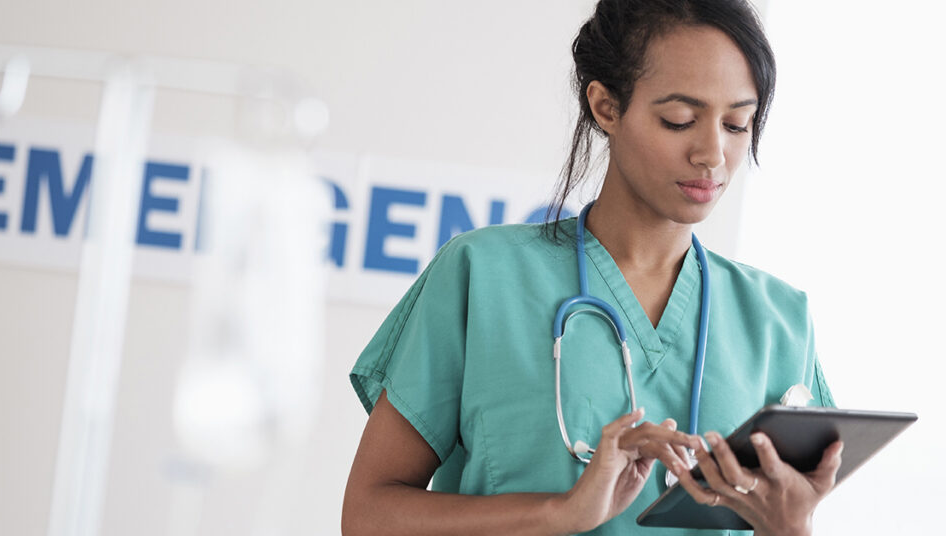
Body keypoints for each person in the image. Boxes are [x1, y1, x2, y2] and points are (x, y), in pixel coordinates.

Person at [342, 1, 842, 534]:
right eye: (680, 120)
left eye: (738, 123)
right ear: (605, 106)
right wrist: (562, 513)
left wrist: (792, 527)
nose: (712, 154)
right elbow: (368, 515)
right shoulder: (481, 275)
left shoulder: (779, 320)